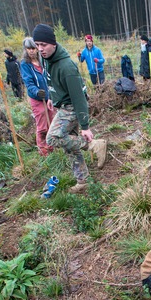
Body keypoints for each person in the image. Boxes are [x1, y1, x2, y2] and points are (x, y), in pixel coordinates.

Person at [33, 23, 105, 193]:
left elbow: (79, 98)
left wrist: (86, 127)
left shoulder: (67, 66)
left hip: (72, 107)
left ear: (53, 43)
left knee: (53, 138)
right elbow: (50, 80)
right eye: (37, 45)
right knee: (69, 145)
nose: (40, 49)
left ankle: (95, 145)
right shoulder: (46, 59)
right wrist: (52, 97)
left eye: (44, 44)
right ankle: (83, 181)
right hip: (62, 104)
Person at [20, 37, 55, 156]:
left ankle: (52, 146)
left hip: (48, 96)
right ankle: (43, 149)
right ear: (26, 50)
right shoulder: (25, 65)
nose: (31, 51)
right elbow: (28, 82)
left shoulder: (43, 61)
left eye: (33, 48)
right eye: (28, 49)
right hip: (37, 98)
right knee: (42, 124)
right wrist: (36, 91)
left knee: (52, 119)